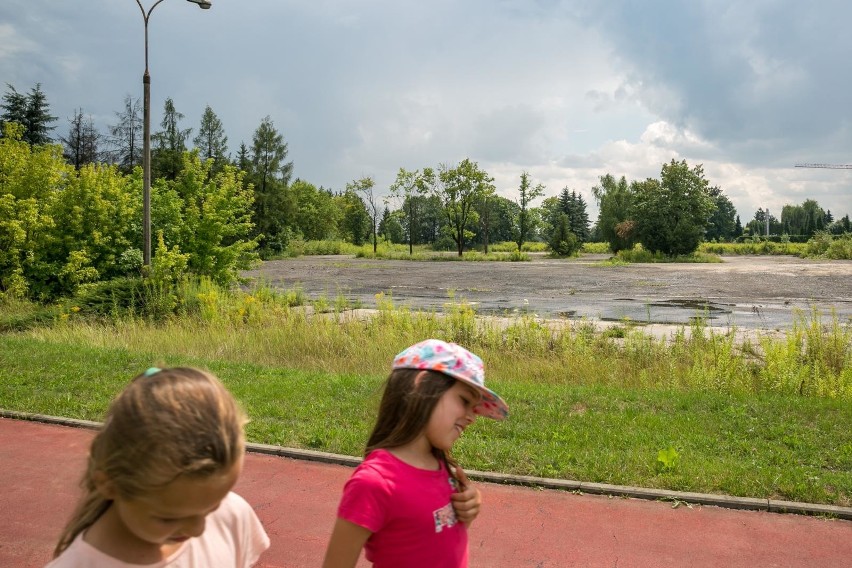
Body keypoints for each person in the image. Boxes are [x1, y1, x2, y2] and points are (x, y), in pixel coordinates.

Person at [47, 367, 270, 568]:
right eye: (168, 519)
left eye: (213, 507)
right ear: (109, 484)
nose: (198, 530)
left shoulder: (231, 515)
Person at [322, 339, 509, 568]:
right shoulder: (374, 483)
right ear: (421, 387)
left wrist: (468, 507)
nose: (472, 417)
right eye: (464, 400)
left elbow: (431, 540)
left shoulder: (439, 465)